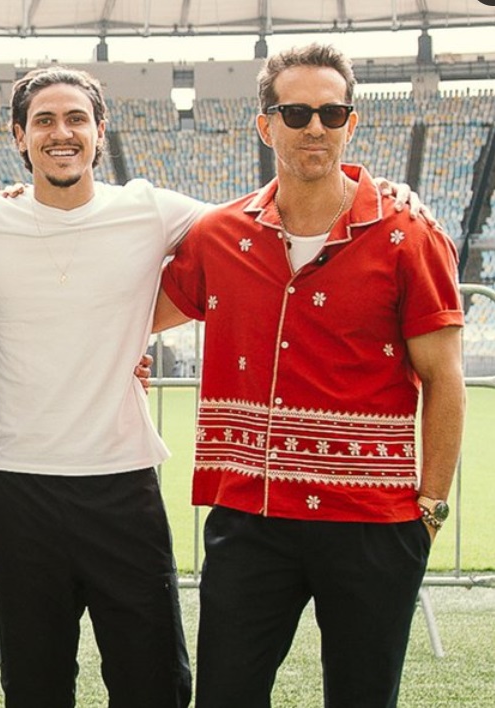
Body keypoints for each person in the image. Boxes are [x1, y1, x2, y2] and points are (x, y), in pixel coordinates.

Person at [154, 43, 465, 708]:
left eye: (331, 111)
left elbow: (444, 379)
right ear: (264, 125)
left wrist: (428, 514)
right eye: (294, 112)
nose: (313, 127)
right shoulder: (218, 234)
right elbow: (128, 311)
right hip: (249, 517)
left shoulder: (408, 234)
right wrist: (28, 209)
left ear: (351, 122)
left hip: (372, 524)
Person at [0, 66, 201, 707]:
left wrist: (138, 325)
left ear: (99, 131)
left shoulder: (149, 209)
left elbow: (256, 226)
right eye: (44, 121)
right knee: (34, 689)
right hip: (21, 492)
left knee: (155, 686)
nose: (62, 133)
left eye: (75, 119)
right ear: (19, 137)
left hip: (123, 489)